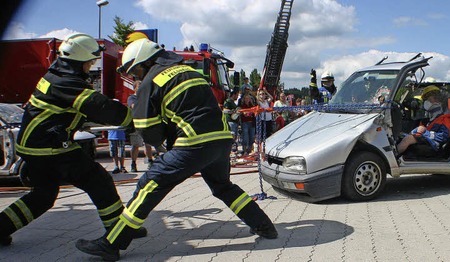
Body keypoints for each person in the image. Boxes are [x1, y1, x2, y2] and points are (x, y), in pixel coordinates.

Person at [76, 38, 277, 260]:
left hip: (193, 143)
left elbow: (148, 133)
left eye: (136, 71)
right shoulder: (189, 71)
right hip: (221, 140)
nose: (136, 77)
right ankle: (264, 226)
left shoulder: (150, 81)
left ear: (143, 63)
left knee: (149, 184)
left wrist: (136, 104)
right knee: (223, 187)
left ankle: (112, 243)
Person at [0, 33, 145, 247]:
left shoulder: (57, 76)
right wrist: (133, 118)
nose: (91, 66)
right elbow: (100, 108)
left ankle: (2, 227)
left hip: (37, 145)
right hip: (49, 147)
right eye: (90, 62)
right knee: (98, 180)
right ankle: (118, 232)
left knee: (44, 196)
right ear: (79, 61)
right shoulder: (67, 83)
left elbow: (74, 110)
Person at [127, 81, 154, 171]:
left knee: (148, 144)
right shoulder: (132, 98)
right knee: (136, 145)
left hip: (146, 124)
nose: (141, 88)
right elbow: (134, 107)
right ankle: (133, 164)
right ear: (134, 88)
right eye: (139, 86)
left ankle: (150, 161)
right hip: (136, 125)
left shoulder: (146, 98)